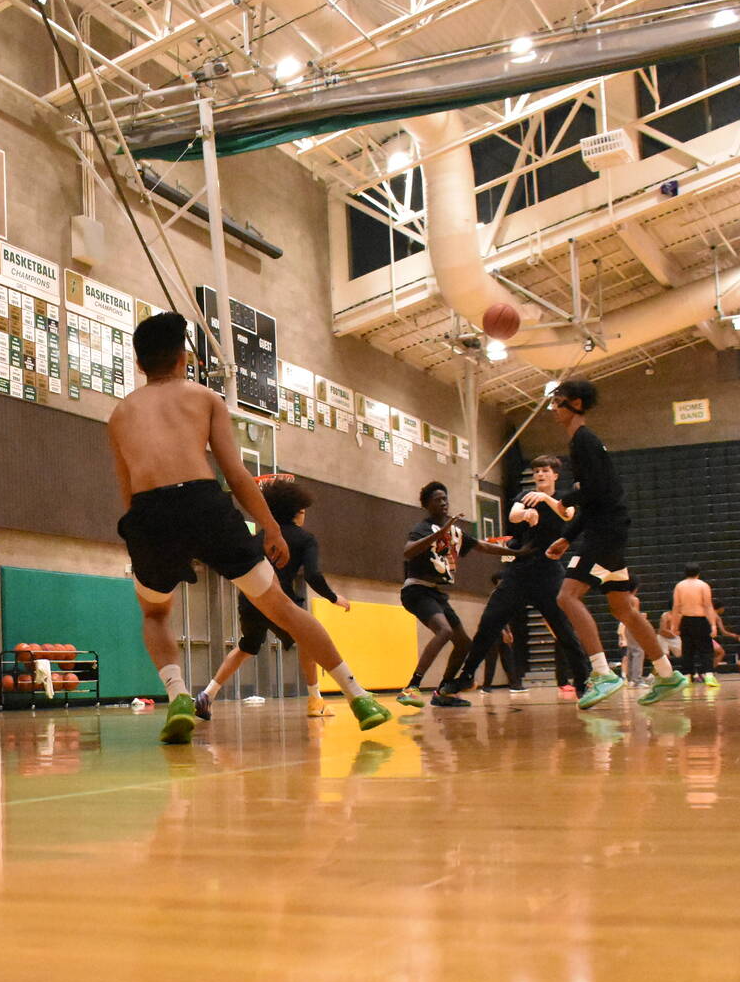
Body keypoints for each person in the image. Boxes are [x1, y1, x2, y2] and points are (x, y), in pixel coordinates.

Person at [108, 311, 388, 741]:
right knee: (283, 608)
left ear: (140, 364)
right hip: (203, 502)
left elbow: (128, 491)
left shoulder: (119, 416)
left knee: (155, 613)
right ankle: (358, 695)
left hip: (148, 515)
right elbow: (236, 475)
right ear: (184, 358)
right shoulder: (203, 398)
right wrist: (271, 527)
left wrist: (140, 538)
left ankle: (180, 695)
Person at [544, 379, 686, 708]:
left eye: (557, 401)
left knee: (567, 596)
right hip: (606, 527)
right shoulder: (582, 441)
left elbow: (596, 491)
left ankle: (602, 672)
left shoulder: (584, 440)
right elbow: (596, 498)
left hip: (605, 531)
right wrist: (567, 537)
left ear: (575, 403)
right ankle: (666, 673)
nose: (553, 408)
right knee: (622, 608)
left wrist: (564, 499)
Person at [195, 479, 354, 719]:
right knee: (308, 640)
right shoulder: (305, 538)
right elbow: (313, 575)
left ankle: (208, 694)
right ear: (299, 511)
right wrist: (333, 597)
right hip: (281, 603)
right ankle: (315, 700)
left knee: (245, 647)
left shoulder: (259, 538)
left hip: (250, 600)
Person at [439, 454, 590, 703]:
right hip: (519, 572)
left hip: (549, 572)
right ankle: (466, 675)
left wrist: (545, 499)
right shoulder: (524, 497)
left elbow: (568, 515)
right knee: (488, 623)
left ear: (555, 475)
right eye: (536, 471)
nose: (539, 474)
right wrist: (525, 514)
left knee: (564, 629)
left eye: (544, 470)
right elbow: (513, 515)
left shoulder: (561, 499)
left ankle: (583, 681)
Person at [397, 482, 474, 707]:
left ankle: (443, 692)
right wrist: (438, 534)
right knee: (445, 630)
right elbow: (408, 551)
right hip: (416, 590)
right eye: (437, 499)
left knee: (464, 643)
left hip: (437, 593)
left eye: (445, 498)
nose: (443, 503)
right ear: (427, 505)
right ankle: (411, 687)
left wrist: (517, 552)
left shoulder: (455, 532)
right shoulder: (422, 528)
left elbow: (483, 546)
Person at [671, 564, 722, 687]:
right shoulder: (703, 585)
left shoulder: (679, 586)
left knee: (687, 650)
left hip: (686, 620)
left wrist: (674, 625)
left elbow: (676, 607)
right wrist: (713, 625)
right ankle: (709, 675)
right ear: (698, 573)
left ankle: (687, 676)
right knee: (706, 649)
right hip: (701, 620)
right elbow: (708, 606)